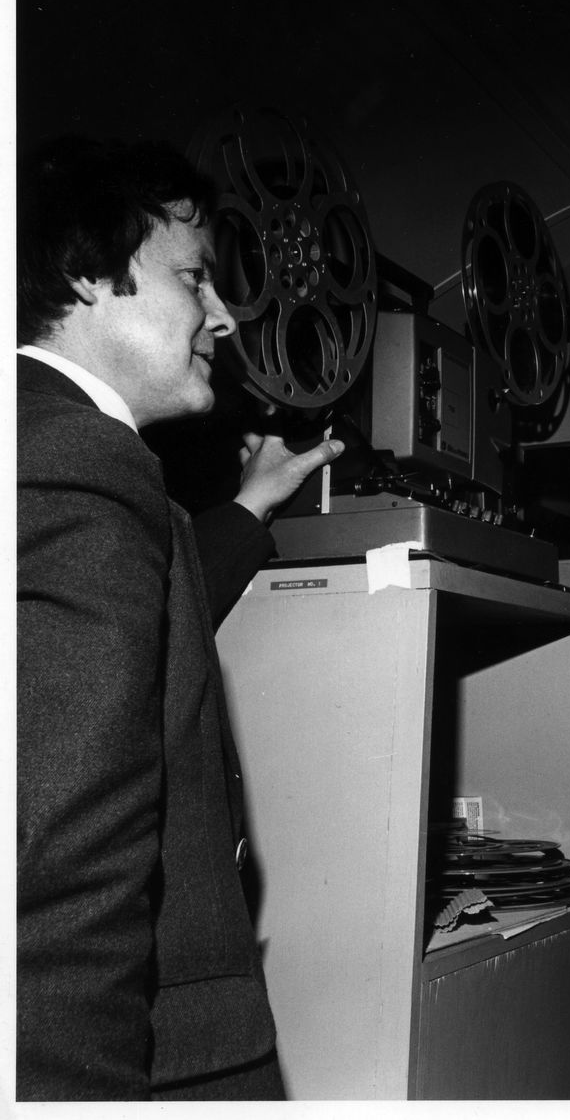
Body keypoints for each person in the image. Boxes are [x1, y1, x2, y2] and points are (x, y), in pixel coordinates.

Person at [17, 135, 344, 1100]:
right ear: (87, 275)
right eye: (195, 279)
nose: (226, 316)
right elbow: (62, 856)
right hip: (146, 1061)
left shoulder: (44, 446)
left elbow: (124, 629)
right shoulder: (79, 460)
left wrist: (250, 508)